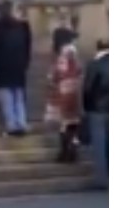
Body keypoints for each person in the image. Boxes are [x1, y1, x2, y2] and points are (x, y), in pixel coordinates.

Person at [0, 0, 32, 136]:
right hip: (19, 66)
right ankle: (21, 123)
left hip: (2, 67)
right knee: (18, 96)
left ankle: (11, 124)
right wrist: (25, 62)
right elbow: (27, 47)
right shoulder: (23, 27)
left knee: (7, 97)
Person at [47, 36, 84, 164]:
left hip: (62, 98)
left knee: (64, 127)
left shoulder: (61, 63)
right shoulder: (77, 64)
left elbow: (53, 77)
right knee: (73, 126)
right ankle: (73, 151)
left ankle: (64, 152)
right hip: (74, 98)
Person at [82, 38, 109, 190]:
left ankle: (101, 179)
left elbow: (88, 88)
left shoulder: (95, 65)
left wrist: (87, 107)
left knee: (99, 145)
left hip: (97, 109)